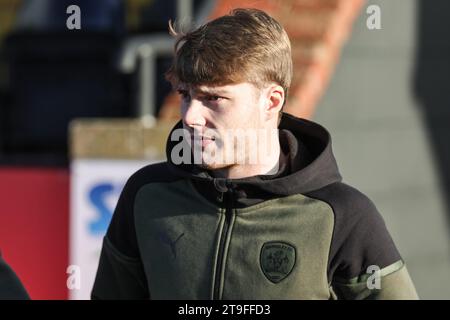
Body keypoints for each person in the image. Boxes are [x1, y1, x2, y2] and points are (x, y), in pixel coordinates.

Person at [92, 8, 418, 300]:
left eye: (213, 99)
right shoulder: (147, 195)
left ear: (272, 101)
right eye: (185, 95)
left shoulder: (343, 216)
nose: (190, 116)